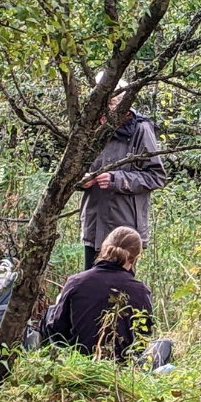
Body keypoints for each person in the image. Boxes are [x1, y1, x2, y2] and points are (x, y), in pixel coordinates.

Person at [80, 73, 168, 270]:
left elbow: (157, 176)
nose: (108, 109)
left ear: (124, 101)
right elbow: (76, 169)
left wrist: (117, 180)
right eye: (104, 103)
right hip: (94, 227)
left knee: (121, 294)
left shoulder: (141, 129)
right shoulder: (90, 127)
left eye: (112, 103)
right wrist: (81, 180)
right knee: (90, 288)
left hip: (125, 232)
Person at [40, 226, 162, 363]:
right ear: (134, 259)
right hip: (125, 367)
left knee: (52, 312)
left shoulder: (76, 282)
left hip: (79, 364)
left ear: (103, 249)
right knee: (165, 345)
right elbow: (143, 339)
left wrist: (58, 305)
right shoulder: (141, 291)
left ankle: (45, 363)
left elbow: (57, 331)